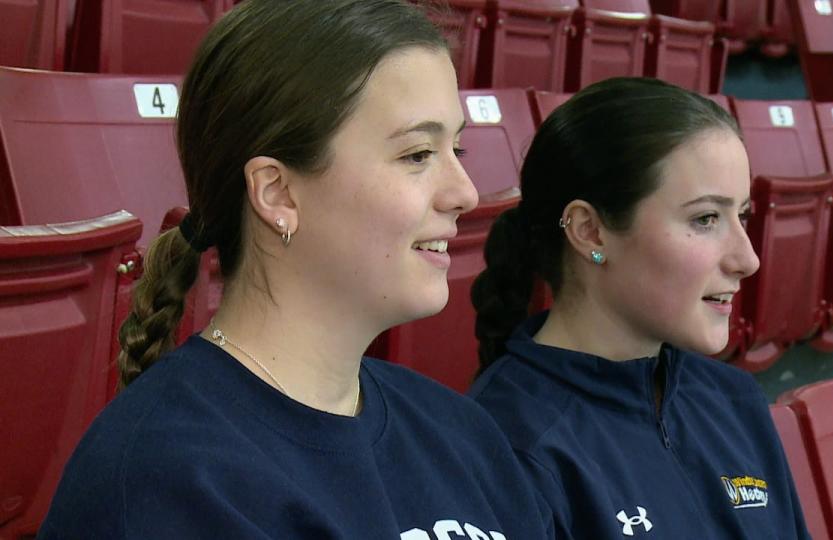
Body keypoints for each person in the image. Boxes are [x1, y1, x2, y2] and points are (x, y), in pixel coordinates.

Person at [38, 1, 552, 538]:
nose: (465, 192)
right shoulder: (170, 483)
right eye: (418, 154)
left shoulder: (461, 433)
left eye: (458, 147)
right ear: (278, 193)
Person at [469, 77, 810, 539]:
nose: (747, 259)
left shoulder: (734, 399)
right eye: (705, 218)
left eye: (742, 215)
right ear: (590, 232)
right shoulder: (505, 445)